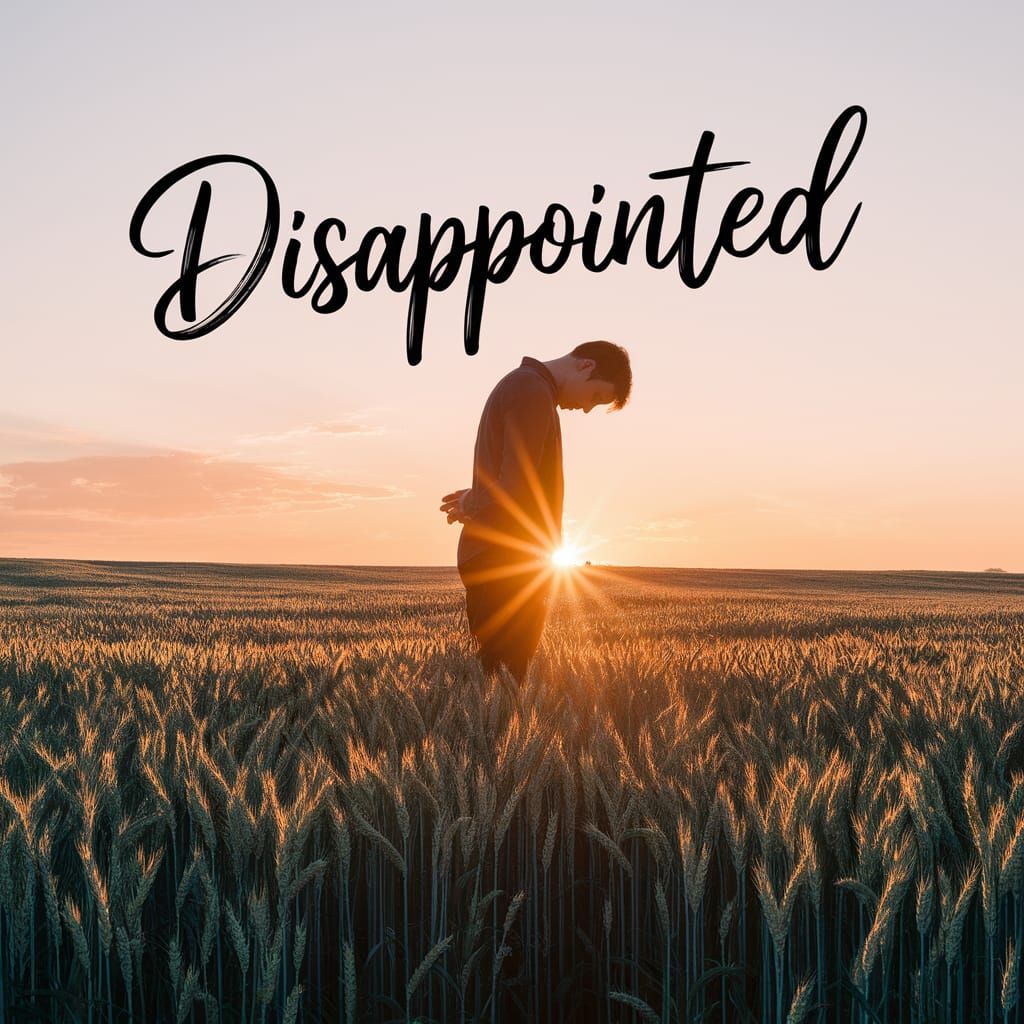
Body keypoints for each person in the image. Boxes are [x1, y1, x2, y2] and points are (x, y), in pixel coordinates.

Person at [440, 341, 632, 682]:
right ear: (586, 366)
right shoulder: (532, 390)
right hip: (507, 560)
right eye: (595, 398)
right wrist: (474, 502)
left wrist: (475, 496)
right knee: (509, 680)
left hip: (499, 556)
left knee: (497, 679)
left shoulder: (524, 385)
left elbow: (507, 473)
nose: (587, 409)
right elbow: (518, 482)